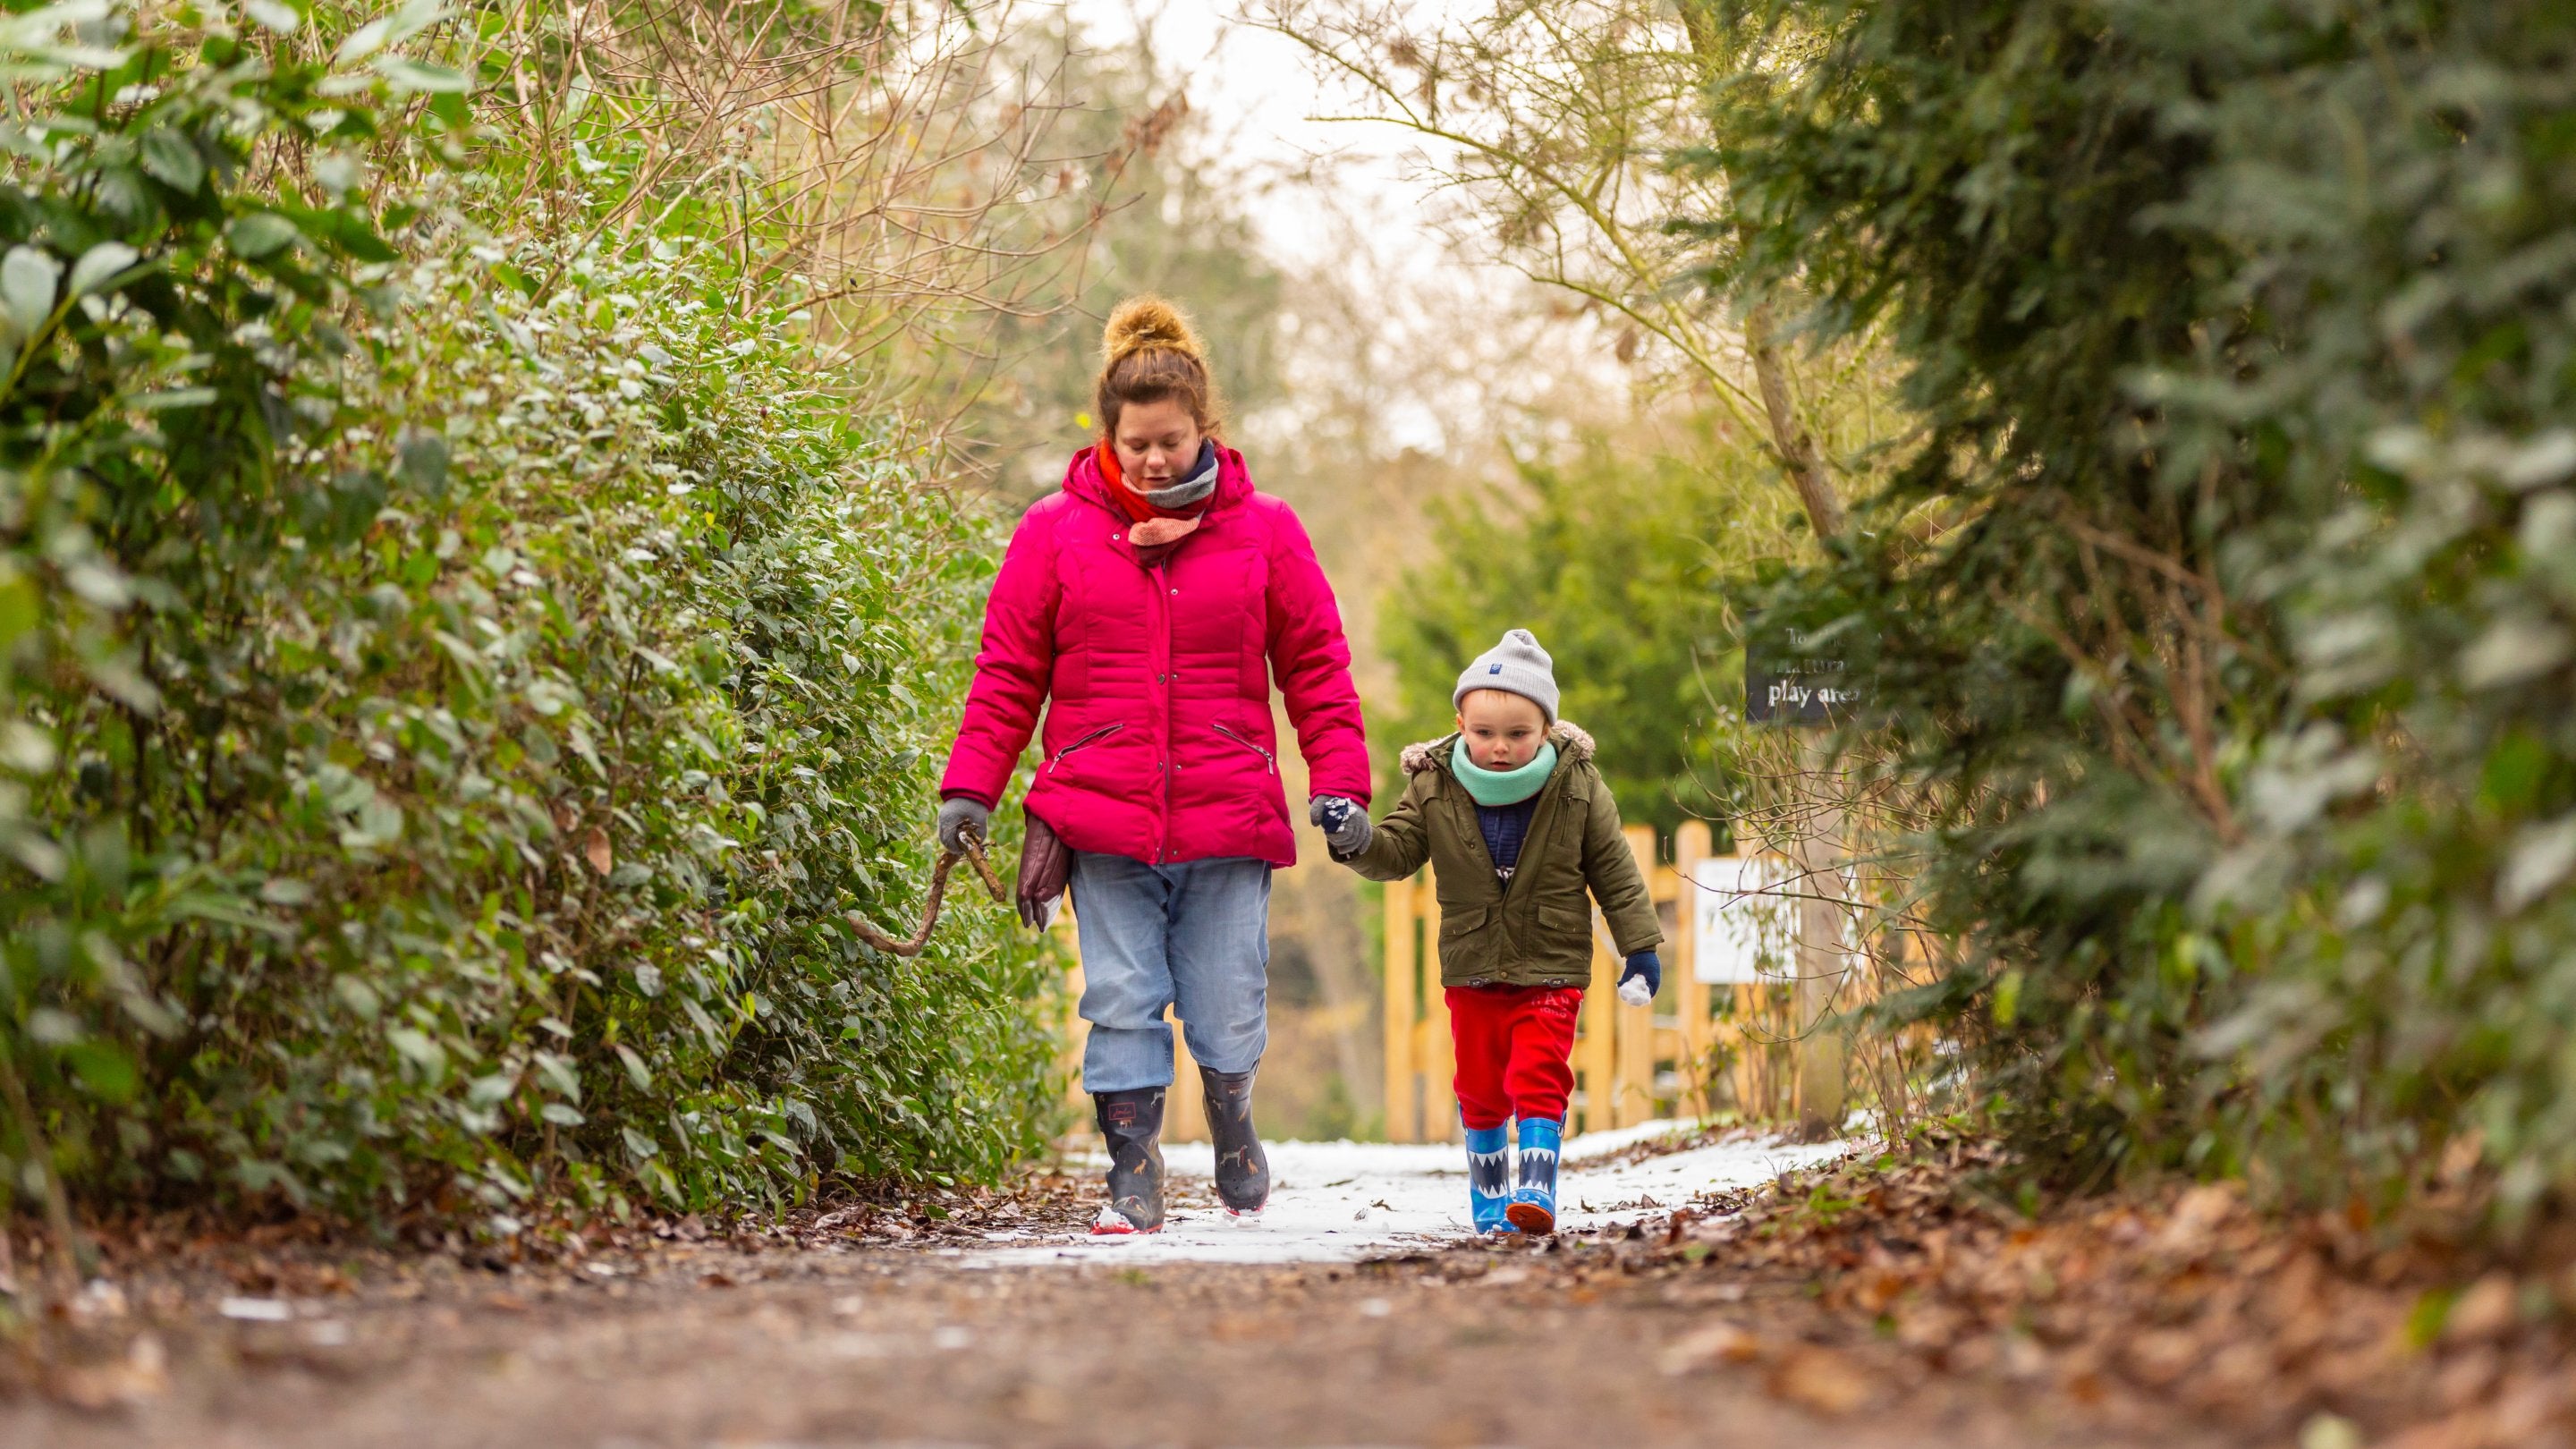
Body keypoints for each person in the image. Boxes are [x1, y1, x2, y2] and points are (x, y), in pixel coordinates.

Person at [936, 297, 1373, 1234]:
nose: (1154, 461)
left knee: (1225, 1001)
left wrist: (1341, 784)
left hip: (1226, 813)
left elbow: (1317, 671)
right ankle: (1132, 1174)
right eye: (1135, 443)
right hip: (1102, 816)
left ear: (1204, 430)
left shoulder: (1268, 532)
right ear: (1109, 436)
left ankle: (1231, 1124)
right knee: (1123, 996)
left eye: (1170, 441)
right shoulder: (1053, 532)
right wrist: (970, 786)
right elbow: (1008, 672)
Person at [1322, 629, 1663, 1233]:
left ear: (1548, 730)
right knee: (1479, 1086)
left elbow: (1615, 869)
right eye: (1483, 734)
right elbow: (1397, 851)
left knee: (1539, 1072)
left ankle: (1536, 1188)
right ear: (1460, 722)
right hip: (1473, 962)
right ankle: (1488, 1198)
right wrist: (1357, 839)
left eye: (1517, 735)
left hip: (1551, 963)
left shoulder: (1577, 786)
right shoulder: (1434, 784)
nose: (1499, 748)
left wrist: (1639, 947)